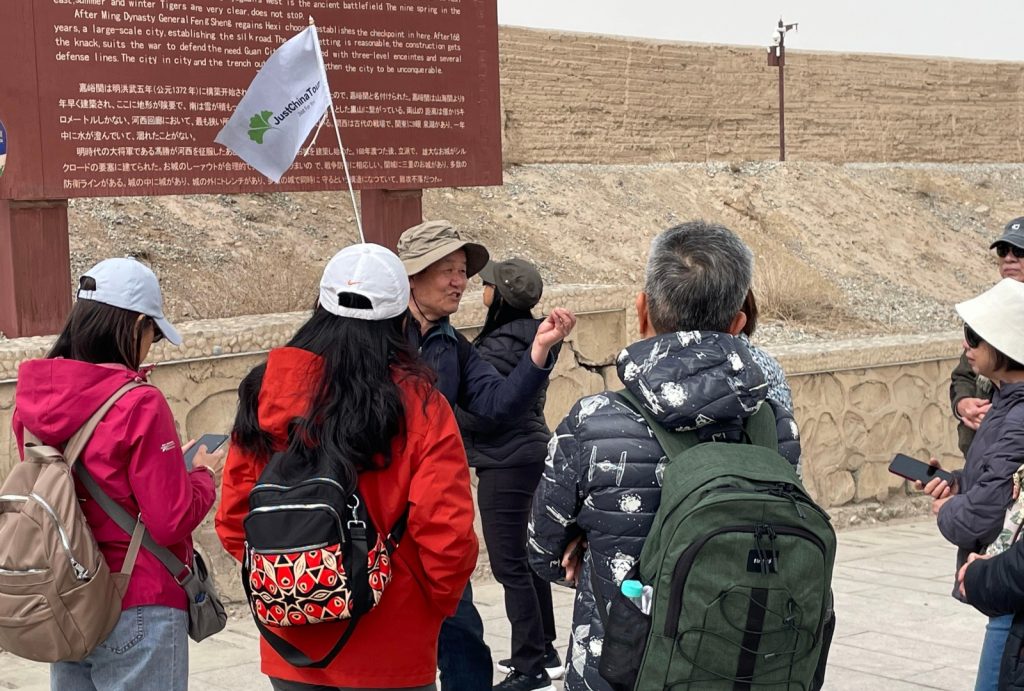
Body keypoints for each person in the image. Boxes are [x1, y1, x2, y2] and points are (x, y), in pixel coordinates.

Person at [527, 221, 800, 691]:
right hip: (735, 667)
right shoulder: (773, 423)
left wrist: (593, 550)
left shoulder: (593, 421)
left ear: (642, 310)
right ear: (738, 323)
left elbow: (542, 551)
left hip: (618, 669)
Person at [215, 244, 478, 690]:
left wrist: (293, 573)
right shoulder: (421, 405)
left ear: (319, 308)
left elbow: (235, 518)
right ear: (401, 320)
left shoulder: (268, 390)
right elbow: (447, 533)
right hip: (393, 637)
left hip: (292, 641)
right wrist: (433, 605)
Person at [12, 257, 221, 691]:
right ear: (137, 324)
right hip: (140, 602)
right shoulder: (139, 402)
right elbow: (169, 520)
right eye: (153, 335)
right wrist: (201, 476)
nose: (150, 346)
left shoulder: (32, 405)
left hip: (69, 601)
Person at [396, 220, 576, 691]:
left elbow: (497, 404)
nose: (462, 281)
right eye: (448, 271)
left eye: (464, 272)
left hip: (436, 510)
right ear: (411, 276)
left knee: (463, 627)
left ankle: (526, 661)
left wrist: (538, 352)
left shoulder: (451, 343)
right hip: (381, 515)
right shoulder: (375, 335)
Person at [456, 259, 562, 688]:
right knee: (527, 558)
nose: (480, 288)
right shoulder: (531, 336)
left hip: (506, 462)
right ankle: (543, 646)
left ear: (499, 296)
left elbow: (490, 412)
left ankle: (529, 666)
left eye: (486, 284)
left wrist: (446, 409)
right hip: (529, 454)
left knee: (509, 564)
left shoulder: (498, 344)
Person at [919, 278, 1024, 691]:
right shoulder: (1005, 402)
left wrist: (948, 511)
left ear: (1003, 344)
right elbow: (998, 480)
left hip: (1011, 595)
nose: (966, 347)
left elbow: (983, 515)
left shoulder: (1016, 416)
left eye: (974, 337)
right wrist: (955, 482)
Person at [951, 217, 1024, 455]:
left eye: (1020, 251)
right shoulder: (990, 311)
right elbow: (963, 375)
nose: (1009, 258)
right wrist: (963, 405)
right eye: (1003, 251)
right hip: (980, 456)